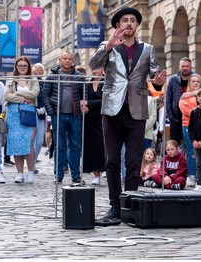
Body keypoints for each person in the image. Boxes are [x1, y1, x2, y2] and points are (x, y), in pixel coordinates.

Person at [89, 6, 166, 223]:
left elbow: (154, 74)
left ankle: (130, 204)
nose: (129, 23)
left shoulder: (147, 48)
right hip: (112, 109)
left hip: (137, 110)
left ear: (137, 25)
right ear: (117, 25)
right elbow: (93, 65)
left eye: (133, 20)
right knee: (112, 161)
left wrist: (158, 82)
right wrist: (108, 47)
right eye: (125, 20)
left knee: (133, 161)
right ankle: (114, 206)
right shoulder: (108, 45)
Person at [43, 51, 85, 184]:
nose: (67, 61)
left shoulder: (78, 76)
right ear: (59, 60)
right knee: (59, 146)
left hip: (75, 115)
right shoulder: (52, 76)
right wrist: (51, 111)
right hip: (58, 115)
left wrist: (83, 106)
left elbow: (84, 94)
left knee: (75, 145)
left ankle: (75, 175)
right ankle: (59, 174)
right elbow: (45, 95)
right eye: (65, 58)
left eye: (69, 59)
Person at [4, 56, 39, 183]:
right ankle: (19, 173)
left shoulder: (33, 79)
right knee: (16, 143)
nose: (23, 68)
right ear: (16, 67)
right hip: (13, 114)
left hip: (29, 112)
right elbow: (7, 96)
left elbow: (34, 94)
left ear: (28, 67)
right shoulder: (11, 80)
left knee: (29, 143)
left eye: (25, 65)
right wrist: (23, 98)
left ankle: (30, 171)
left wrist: (17, 94)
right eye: (20, 66)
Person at [80, 67, 105, 185]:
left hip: (102, 118)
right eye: (93, 68)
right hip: (89, 118)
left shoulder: (106, 82)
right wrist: (83, 106)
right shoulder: (88, 84)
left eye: (97, 68)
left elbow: (105, 100)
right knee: (91, 146)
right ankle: (96, 174)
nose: (95, 71)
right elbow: (83, 99)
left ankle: (104, 169)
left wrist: (88, 103)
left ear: (103, 69)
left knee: (102, 145)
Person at [178, 73, 201, 186]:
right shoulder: (184, 96)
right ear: (190, 84)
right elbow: (186, 110)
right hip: (188, 125)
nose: (196, 83)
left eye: (198, 81)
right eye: (193, 81)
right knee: (191, 152)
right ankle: (192, 175)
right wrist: (200, 112)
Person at [165, 57, 193, 144]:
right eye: (183, 66)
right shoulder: (173, 79)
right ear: (179, 67)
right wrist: (170, 116)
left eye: (187, 66)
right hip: (175, 117)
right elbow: (168, 98)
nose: (185, 68)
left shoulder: (196, 78)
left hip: (191, 118)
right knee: (174, 144)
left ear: (191, 67)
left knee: (190, 144)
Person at [32, 63, 47, 174]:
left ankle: (33, 161)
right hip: (33, 113)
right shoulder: (31, 82)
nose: (39, 72)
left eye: (41, 70)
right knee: (32, 140)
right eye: (37, 70)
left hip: (42, 113)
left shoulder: (45, 83)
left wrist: (45, 108)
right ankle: (30, 164)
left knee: (40, 141)